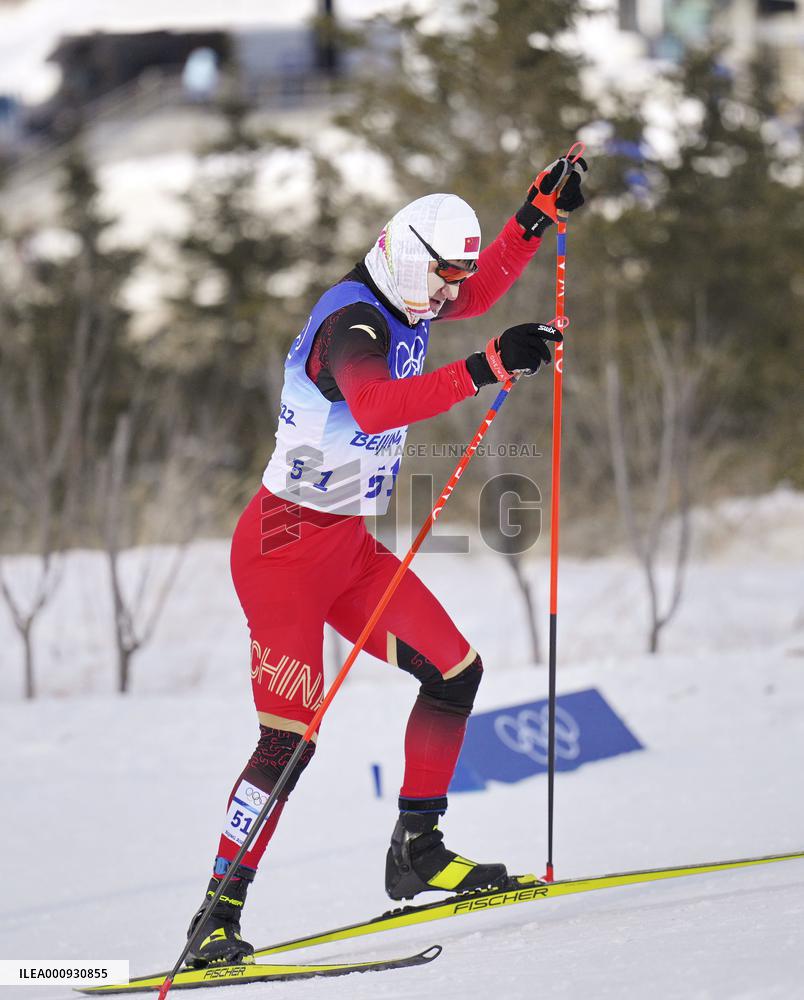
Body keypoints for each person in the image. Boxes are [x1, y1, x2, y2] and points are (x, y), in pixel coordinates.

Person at [185, 154, 588, 966]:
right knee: (287, 741)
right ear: (406, 258)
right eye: (439, 277)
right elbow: (372, 405)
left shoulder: (409, 301)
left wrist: (533, 218)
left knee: (456, 672)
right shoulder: (353, 325)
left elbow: (476, 294)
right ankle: (214, 920)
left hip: (345, 547)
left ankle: (418, 849)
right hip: (283, 552)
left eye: (450, 281)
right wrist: (491, 365)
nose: (449, 296)